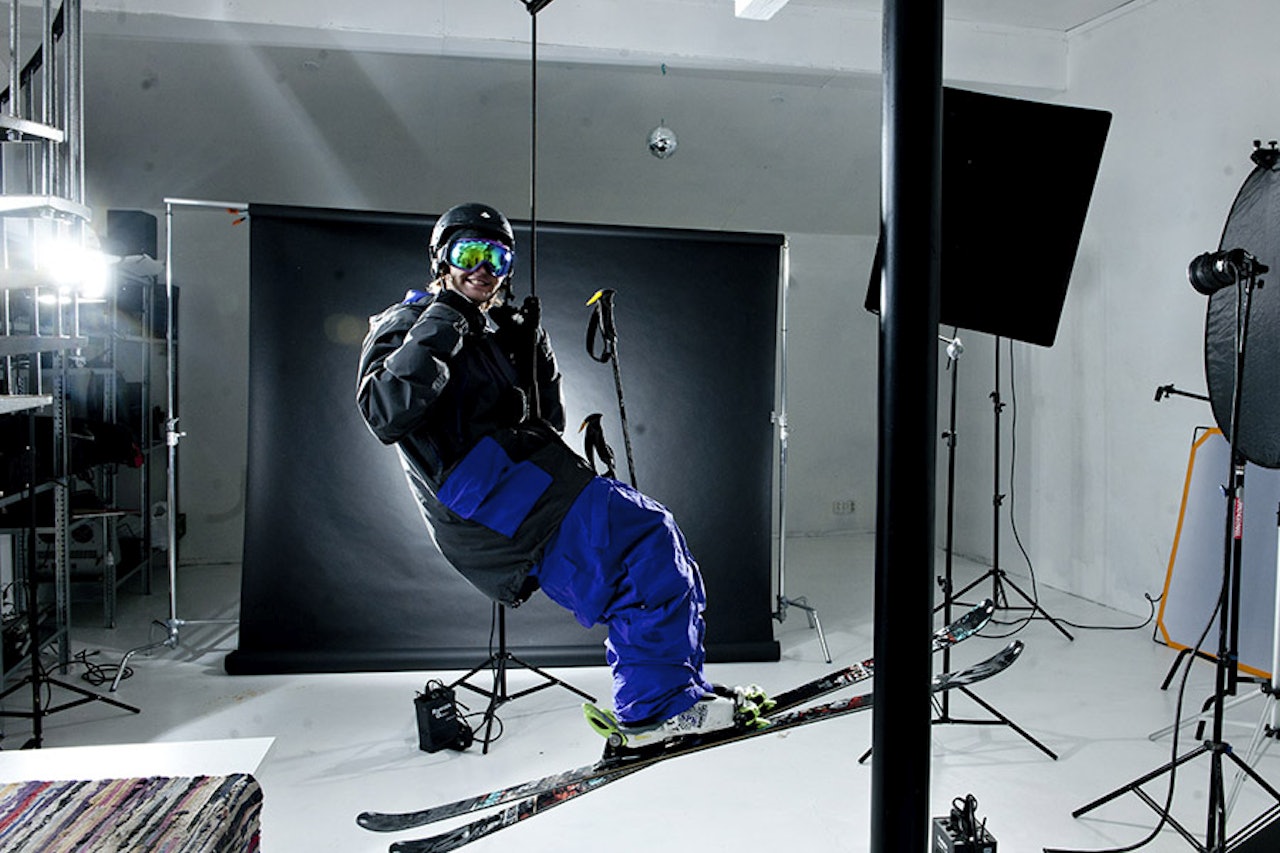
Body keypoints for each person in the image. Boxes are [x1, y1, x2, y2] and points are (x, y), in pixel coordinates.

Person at [356, 202, 761, 747]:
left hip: (530, 476)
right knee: (641, 541)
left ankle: (675, 691)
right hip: (491, 497)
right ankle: (655, 706)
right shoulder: (406, 321)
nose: (482, 268)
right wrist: (445, 318)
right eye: (467, 252)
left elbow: (550, 421)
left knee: (653, 544)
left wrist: (530, 350)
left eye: (496, 256)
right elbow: (385, 411)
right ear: (440, 258)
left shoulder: (496, 329)